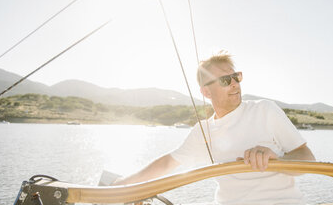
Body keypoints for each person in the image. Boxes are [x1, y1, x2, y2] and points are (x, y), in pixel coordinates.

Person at [113, 51, 315, 205]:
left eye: (236, 77)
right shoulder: (204, 130)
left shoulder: (265, 110)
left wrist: (278, 160)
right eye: (226, 80)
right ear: (206, 92)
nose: (235, 84)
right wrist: (123, 185)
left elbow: (308, 158)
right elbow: (168, 163)